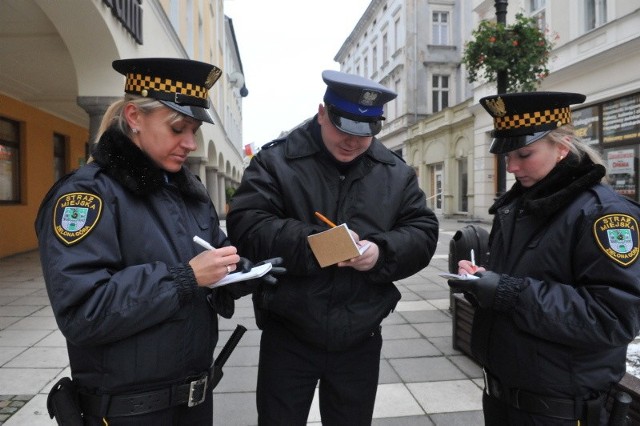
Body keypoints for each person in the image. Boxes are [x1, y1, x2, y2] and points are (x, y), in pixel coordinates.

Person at [35, 57, 251, 425]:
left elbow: (210, 258)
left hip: (194, 402)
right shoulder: (87, 195)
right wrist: (184, 278)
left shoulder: (188, 190)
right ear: (134, 117)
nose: (190, 143)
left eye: (194, 129)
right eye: (178, 128)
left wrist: (239, 273)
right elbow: (83, 310)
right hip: (129, 413)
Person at [226, 70, 439, 425]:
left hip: (360, 335)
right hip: (290, 332)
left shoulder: (394, 171)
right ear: (322, 112)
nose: (353, 142)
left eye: (366, 133)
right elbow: (247, 225)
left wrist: (380, 253)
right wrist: (321, 246)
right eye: (343, 128)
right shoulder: (277, 162)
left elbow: (423, 231)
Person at [449, 91, 640, 425]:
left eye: (524, 153)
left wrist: (508, 292)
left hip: (560, 408)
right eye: (507, 154)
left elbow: (614, 317)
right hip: (504, 394)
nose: (512, 166)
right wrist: (482, 281)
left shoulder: (604, 213)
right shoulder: (520, 204)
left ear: (562, 145)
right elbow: (522, 277)